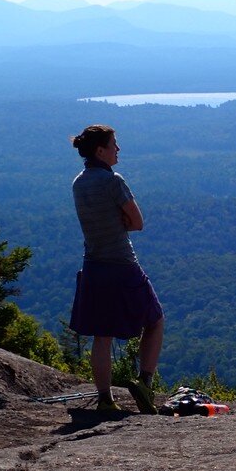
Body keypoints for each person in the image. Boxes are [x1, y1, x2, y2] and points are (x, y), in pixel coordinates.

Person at [69, 124, 163, 414]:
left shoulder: (78, 183)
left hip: (93, 265)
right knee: (155, 320)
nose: (118, 149)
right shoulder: (113, 181)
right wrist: (120, 222)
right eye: (113, 145)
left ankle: (105, 399)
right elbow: (137, 222)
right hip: (122, 264)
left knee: (102, 334)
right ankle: (145, 383)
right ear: (100, 150)